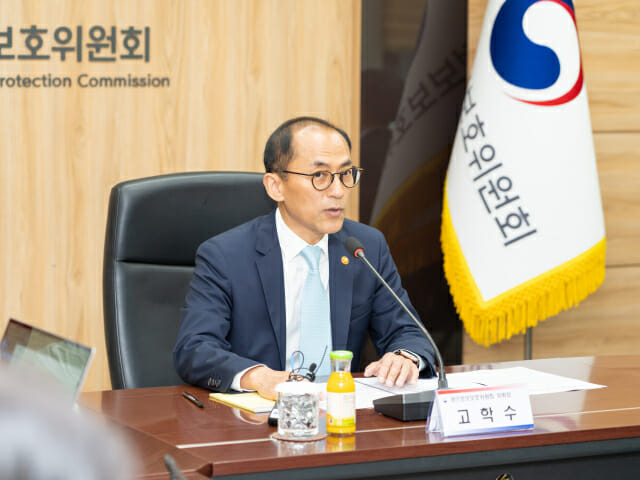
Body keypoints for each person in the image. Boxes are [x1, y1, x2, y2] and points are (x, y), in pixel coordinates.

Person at [174, 116, 436, 400]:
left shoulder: (365, 248)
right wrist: (259, 377)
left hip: (342, 411)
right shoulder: (226, 256)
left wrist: (404, 357)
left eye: (346, 174)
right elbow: (195, 348)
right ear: (276, 186)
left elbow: (407, 331)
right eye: (319, 176)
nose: (338, 191)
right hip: (259, 415)